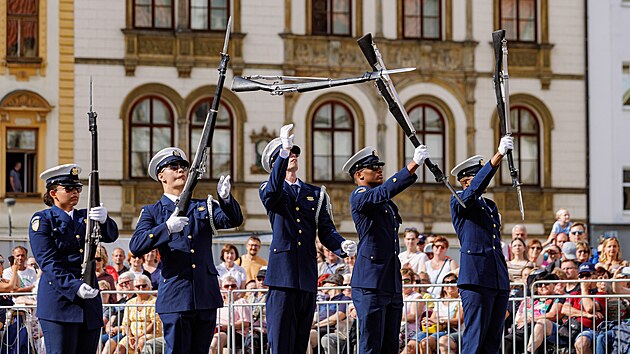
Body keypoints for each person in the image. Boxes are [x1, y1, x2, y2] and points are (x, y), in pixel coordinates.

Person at [129, 147, 243, 354]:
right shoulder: (153, 211)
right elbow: (136, 245)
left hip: (205, 294)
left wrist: (226, 200)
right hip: (176, 295)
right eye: (174, 167)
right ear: (161, 176)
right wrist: (166, 228)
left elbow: (233, 220)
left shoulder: (203, 206)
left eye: (184, 167)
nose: (181, 170)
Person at [258, 124, 356, 354]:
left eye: (294, 153)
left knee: (300, 339)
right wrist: (283, 150)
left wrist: (341, 244)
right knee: (281, 340)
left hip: (306, 274)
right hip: (282, 276)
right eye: (287, 153)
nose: (293, 156)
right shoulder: (270, 188)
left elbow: (326, 229)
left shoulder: (315, 193)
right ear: (276, 163)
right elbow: (272, 193)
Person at [342, 143, 429, 353]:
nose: (380, 170)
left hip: (390, 281)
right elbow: (382, 192)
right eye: (374, 167)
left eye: (379, 166)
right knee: (371, 345)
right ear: (360, 174)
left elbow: (384, 194)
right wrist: (413, 165)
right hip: (370, 283)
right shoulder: (360, 195)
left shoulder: (386, 204)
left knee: (390, 345)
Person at [29, 164, 119, 354]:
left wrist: (105, 221)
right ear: (53, 192)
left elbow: (110, 236)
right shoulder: (43, 220)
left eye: (77, 188)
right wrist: (74, 286)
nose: (75, 193)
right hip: (59, 303)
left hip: (88, 305)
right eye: (68, 189)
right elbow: (48, 262)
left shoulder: (85, 217)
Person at [449, 136, 513, 354]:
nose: (484, 180)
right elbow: (472, 193)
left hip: (496, 277)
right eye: (478, 176)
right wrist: (497, 157)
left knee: (493, 340)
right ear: (466, 181)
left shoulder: (489, 205)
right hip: (476, 278)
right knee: (475, 339)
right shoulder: (458, 199)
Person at [116, 274, 162, 354]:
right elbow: (126, 323)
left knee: (142, 342)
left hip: (150, 334)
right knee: (120, 347)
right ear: (134, 288)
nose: (141, 288)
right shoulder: (130, 302)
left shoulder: (154, 301)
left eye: (144, 286)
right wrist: (130, 337)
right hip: (132, 336)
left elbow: (154, 322)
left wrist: (138, 336)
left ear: (150, 287)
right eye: (138, 286)